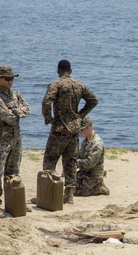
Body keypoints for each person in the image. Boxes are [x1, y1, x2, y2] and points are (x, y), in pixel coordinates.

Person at [41, 59, 98, 204]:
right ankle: (69, 194)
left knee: (50, 159)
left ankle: (48, 193)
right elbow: (93, 100)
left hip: (59, 128)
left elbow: (46, 102)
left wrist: (49, 118)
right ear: (70, 71)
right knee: (70, 161)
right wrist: (79, 116)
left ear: (58, 71)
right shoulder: (79, 86)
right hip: (73, 129)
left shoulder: (56, 85)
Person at [0, 65, 31, 217]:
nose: (11, 82)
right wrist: (18, 111)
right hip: (0, 140)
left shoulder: (15, 95)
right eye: (7, 79)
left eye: (12, 79)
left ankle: (14, 202)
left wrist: (16, 111)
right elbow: (7, 117)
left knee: (14, 172)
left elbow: (27, 110)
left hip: (15, 138)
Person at [73, 116, 109, 197]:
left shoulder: (97, 143)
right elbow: (80, 156)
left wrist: (75, 163)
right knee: (69, 184)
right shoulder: (86, 141)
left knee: (76, 192)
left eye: (81, 130)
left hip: (94, 176)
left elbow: (89, 163)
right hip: (85, 173)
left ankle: (98, 187)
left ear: (88, 127)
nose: (80, 132)